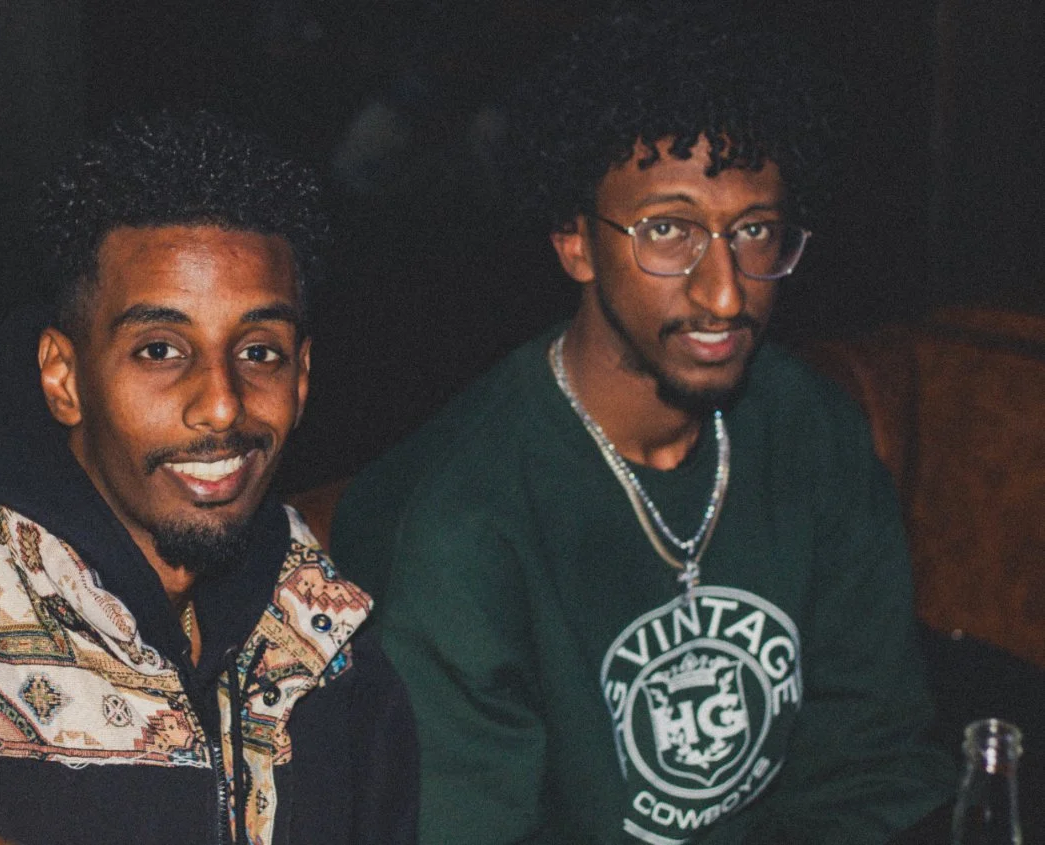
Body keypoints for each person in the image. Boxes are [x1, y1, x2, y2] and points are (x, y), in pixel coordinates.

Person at [330, 5, 953, 844]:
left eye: (754, 231)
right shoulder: (455, 525)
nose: (725, 293)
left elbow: (878, 764)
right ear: (575, 241)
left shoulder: (816, 432)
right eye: (669, 230)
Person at [0, 110, 417, 845]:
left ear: (302, 379)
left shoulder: (324, 637)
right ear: (63, 377)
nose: (223, 402)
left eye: (259, 350)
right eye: (161, 350)